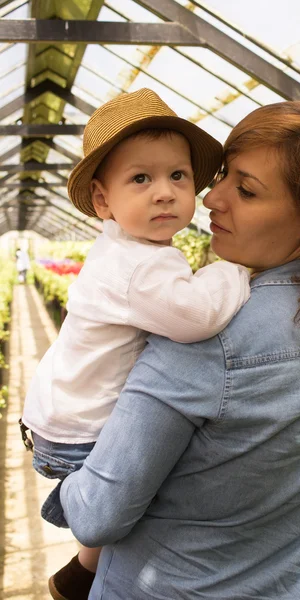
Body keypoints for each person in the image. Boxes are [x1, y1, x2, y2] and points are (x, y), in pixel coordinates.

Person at [59, 99, 300, 600]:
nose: (212, 199)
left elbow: (95, 514)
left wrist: (55, 451)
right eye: (223, 176)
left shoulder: (204, 338)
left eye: (246, 189)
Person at [20, 89, 251, 600]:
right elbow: (196, 316)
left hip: (61, 415)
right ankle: (88, 571)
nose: (164, 192)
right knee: (146, 497)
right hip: (83, 430)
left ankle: (78, 574)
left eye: (178, 176)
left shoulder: (127, 250)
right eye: (140, 179)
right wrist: (236, 271)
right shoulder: (139, 267)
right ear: (103, 201)